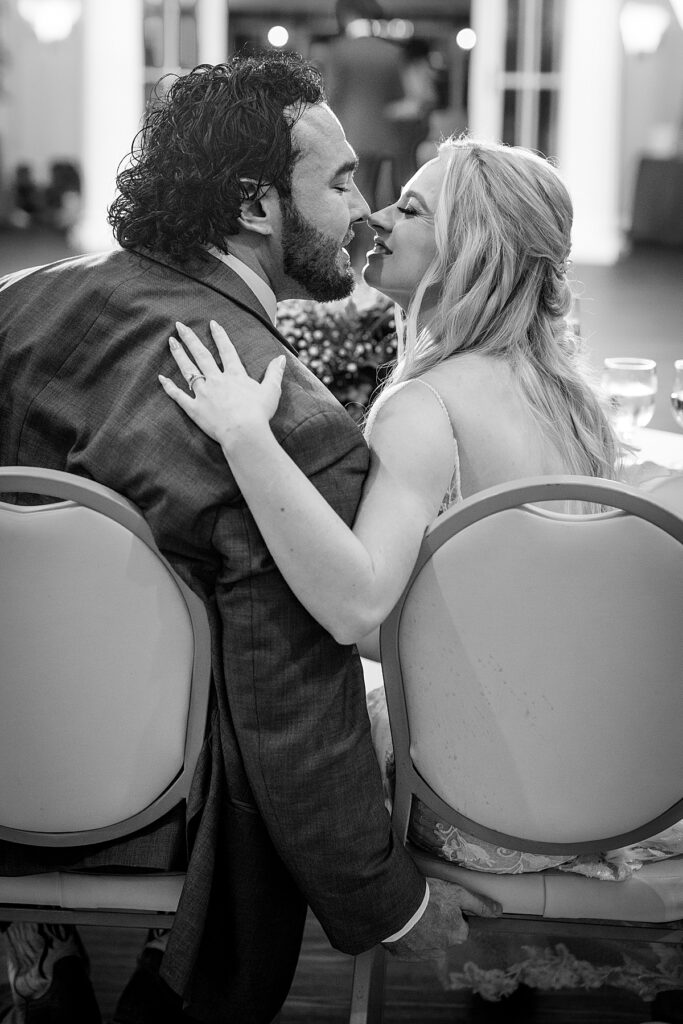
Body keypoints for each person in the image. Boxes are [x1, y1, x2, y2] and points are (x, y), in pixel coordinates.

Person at [0, 55, 497, 1024]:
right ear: (254, 204)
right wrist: (388, 905)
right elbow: (291, 710)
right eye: (342, 181)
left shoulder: (20, 305)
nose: (363, 210)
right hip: (139, 808)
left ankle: (34, 955)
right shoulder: (291, 421)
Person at [158, 135, 624, 872]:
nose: (374, 215)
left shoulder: (425, 405)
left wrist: (245, 437)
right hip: (605, 778)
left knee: (254, 738)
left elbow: (358, 612)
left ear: (469, 249)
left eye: (408, 209)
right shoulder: (572, 401)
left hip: (486, 798)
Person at [323, 0, 412, 266]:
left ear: (346, 17)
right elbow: (397, 96)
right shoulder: (392, 53)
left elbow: (331, 95)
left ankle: (355, 259)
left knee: (351, 198)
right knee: (384, 197)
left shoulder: (338, 51)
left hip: (349, 137)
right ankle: (384, 255)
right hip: (386, 138)